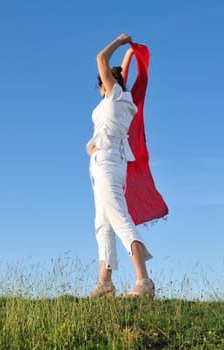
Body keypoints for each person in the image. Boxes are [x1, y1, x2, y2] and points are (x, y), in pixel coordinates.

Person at [86, 34, 155, 298]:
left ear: (106, 84)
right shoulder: (122, 99)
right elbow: (121, 73)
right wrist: (129, 53)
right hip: (105, 164)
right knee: (103, 224)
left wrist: (119, 41)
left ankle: (143, 281)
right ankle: (105, 283)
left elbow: (100, 59)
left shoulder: (114, 97)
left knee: (119, 219)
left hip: (107, 164)